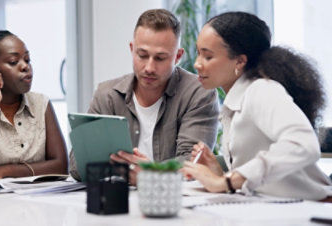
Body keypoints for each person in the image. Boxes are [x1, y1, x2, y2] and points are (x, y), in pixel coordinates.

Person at [181, 11, 332, 201]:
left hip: (314, 208)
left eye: (208, 57)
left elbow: (304, 144)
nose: (196, 64)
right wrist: (220, 174)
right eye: (198, 53)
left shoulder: (261, 90)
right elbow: (264, 179)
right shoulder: (236, 100)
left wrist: (227, 181)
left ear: (240, 61)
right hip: (276, 207)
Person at [69, 9, 220, 184]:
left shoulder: (198, 93)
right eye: (142, 55)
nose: (149, 67)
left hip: (171, 200)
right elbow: (76, 167)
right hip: (116, 197)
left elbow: (192, 163)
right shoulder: (107, 95)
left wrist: (151, 173)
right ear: (132, 49)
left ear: (178, 56)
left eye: (160, 58)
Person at [0, 30, 68, 181]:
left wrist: (5, 171)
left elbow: (61, 167)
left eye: (27, 60)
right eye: (13, 62)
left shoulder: (41, 103)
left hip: (37, 200)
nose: (25, 67)